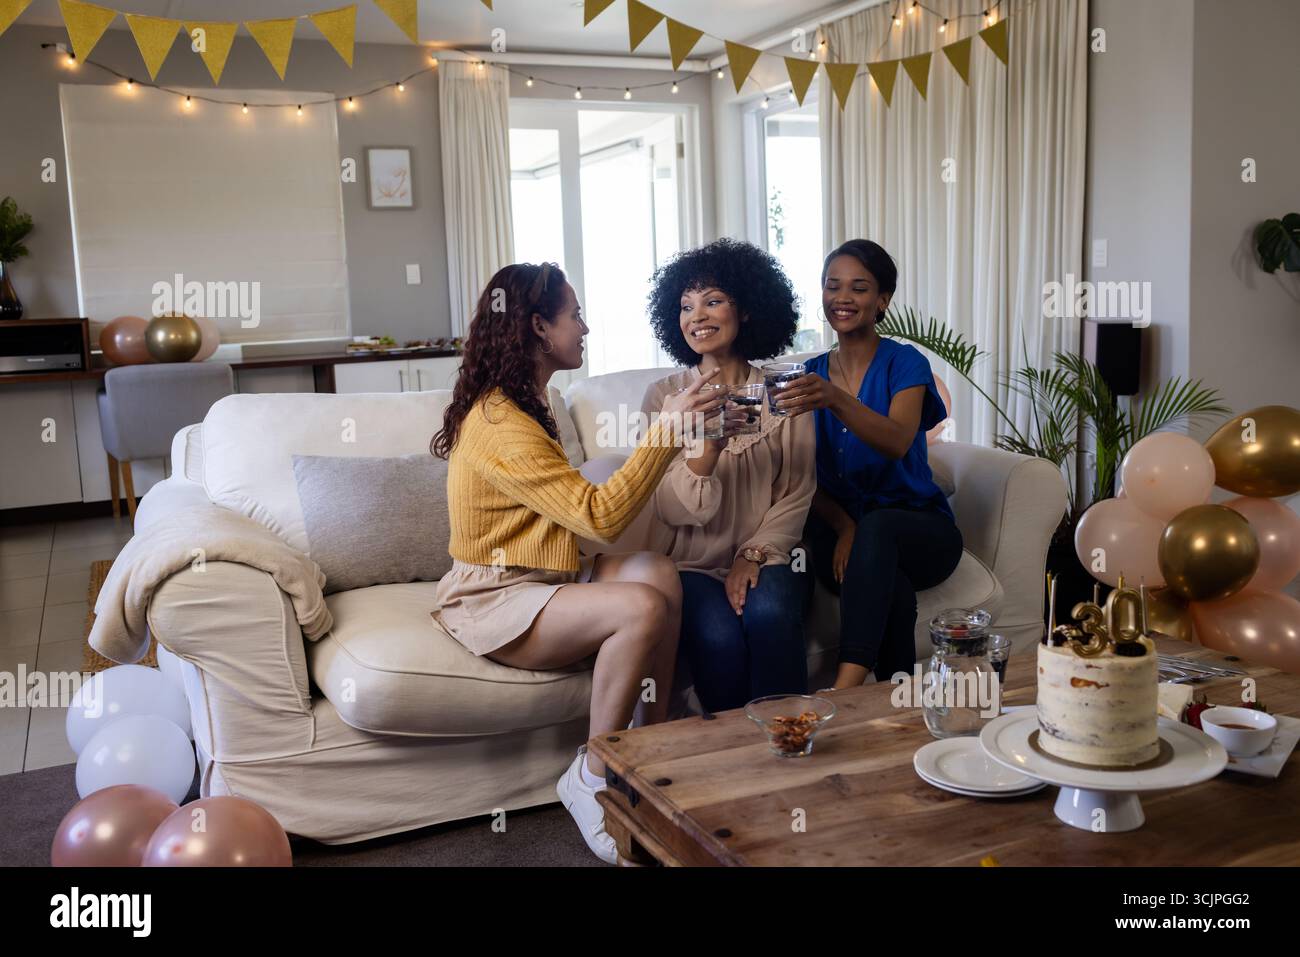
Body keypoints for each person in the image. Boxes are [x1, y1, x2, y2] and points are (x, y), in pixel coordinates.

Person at [430, 262, 720, 864]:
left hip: (544, 576)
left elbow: (580, 522)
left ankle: (647, 748)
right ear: (539, 326)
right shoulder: (501, 424)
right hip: (492, 597)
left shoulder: (531, 400)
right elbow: (598, 519)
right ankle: (591, 775)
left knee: (659, 573)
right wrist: (666, 433)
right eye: (575, 316)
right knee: (639, 606)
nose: (585, 328)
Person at [776, 240, 963, 688]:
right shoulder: (807, 375)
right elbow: (799, 472)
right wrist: (844, 527)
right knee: (889, 587)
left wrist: (835, 399)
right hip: (844, 536)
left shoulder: (906, 364)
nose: (842, 297)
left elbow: (898, 441)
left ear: (882, 301)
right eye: (832, 286)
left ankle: (844, 691)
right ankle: (894, 703)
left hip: (921, 530)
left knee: (879, 530)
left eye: (859, 288)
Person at [641, 239, 815, 712]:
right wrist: (711, 445)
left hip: (770, 553)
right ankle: (731, 758)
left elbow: (798, 490)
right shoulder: (663, 398)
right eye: (685, 306)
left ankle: (789, 738)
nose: (697, 316)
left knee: (772, 614)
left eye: (713, 301)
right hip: (692, 563)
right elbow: (670, 506)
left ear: (748, 309)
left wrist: (753, 555)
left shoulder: (784, 390)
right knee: (718, 638)